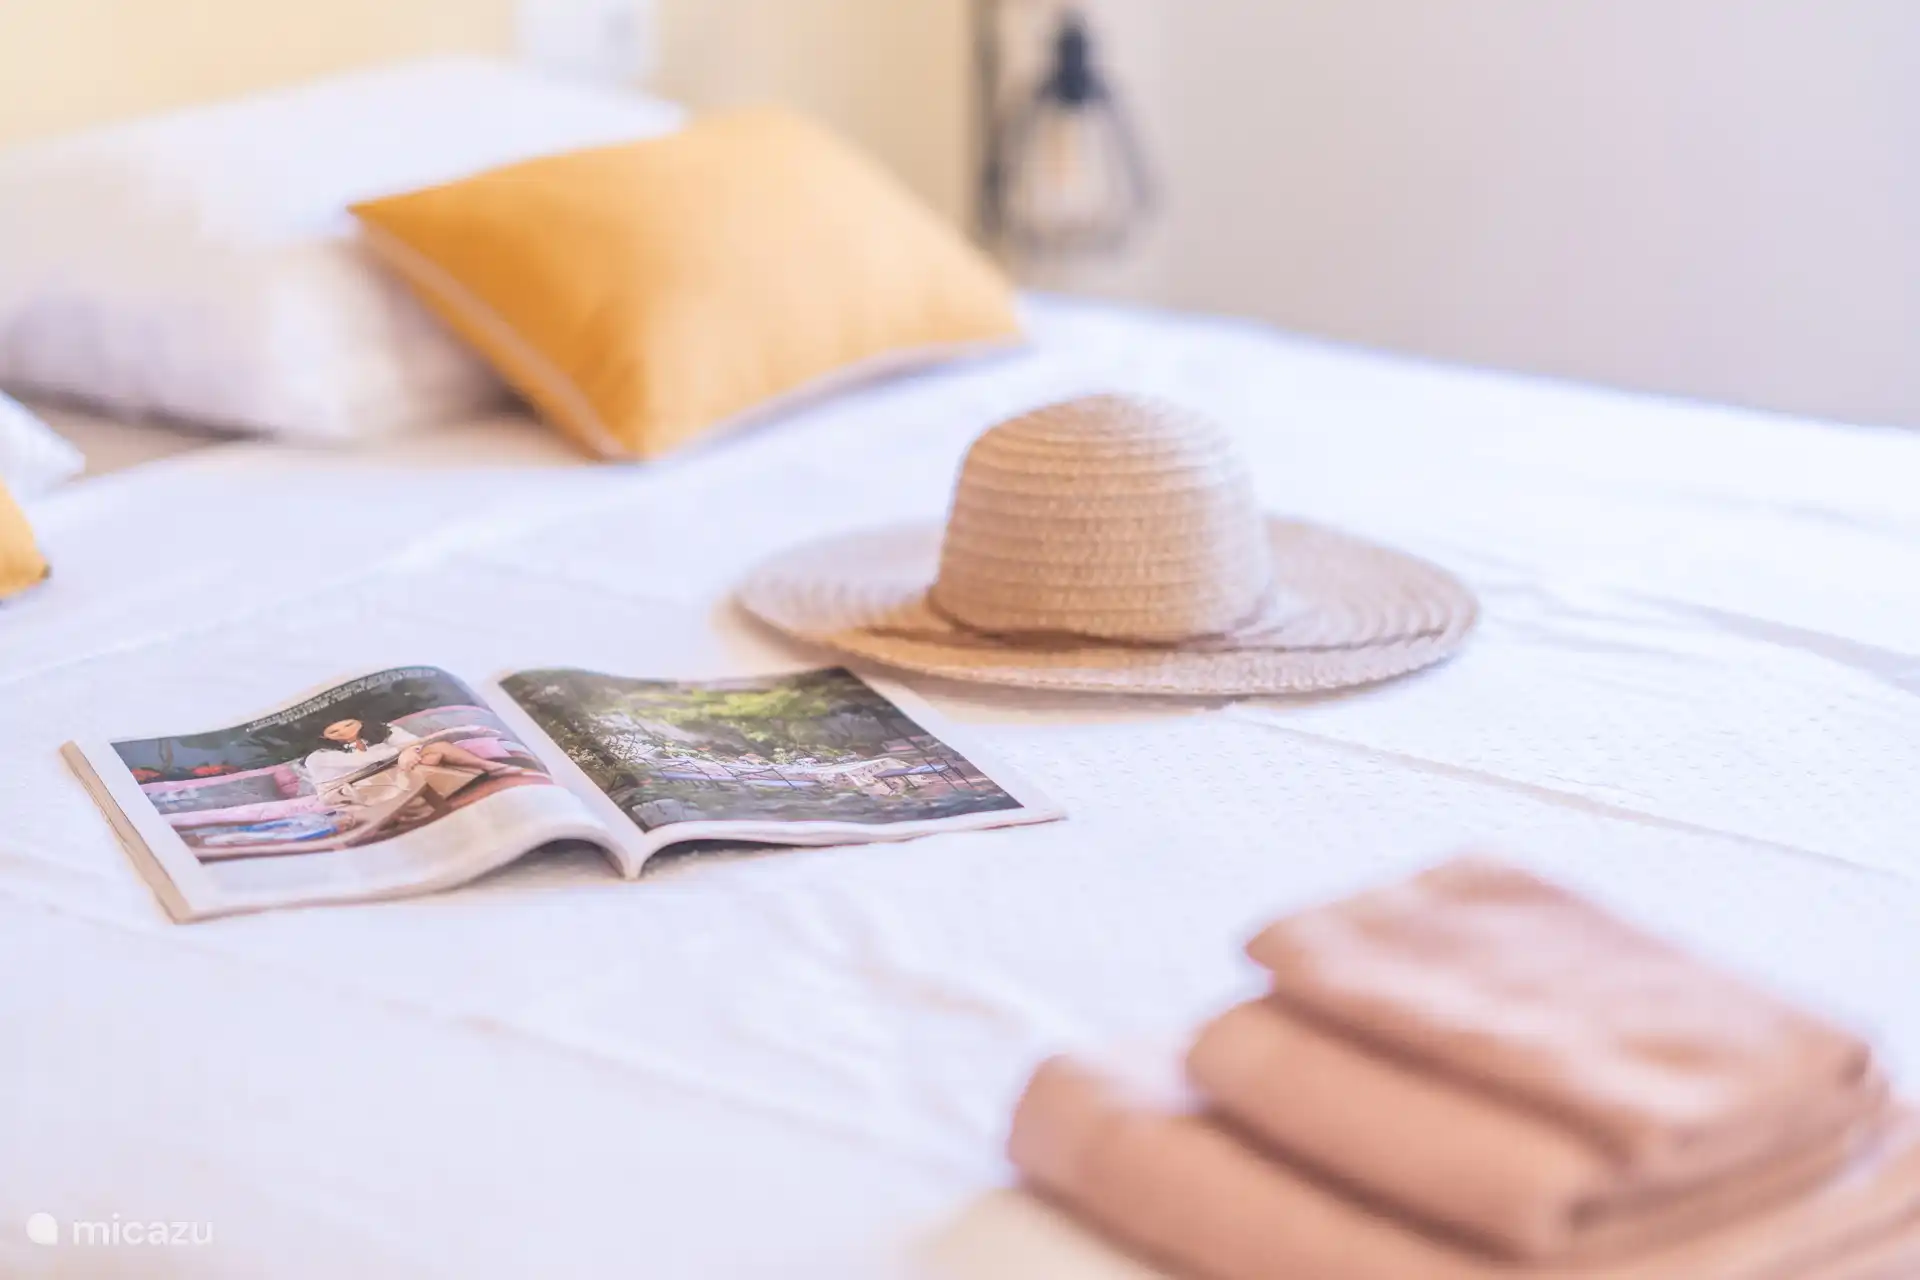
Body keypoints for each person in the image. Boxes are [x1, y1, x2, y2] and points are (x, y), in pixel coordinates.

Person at [303, 717, 528, 818]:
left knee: (436, 748)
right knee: (431, 755)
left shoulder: (382, 730)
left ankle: (491, 767)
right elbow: (362, 762)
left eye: (348, 724)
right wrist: (406, 751)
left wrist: (410, 751)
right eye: (334, 732)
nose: (345, 732)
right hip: (348, 789)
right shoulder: (317, 757)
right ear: (323, 736)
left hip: (386, 770)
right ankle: (428, 802)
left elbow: (411, 741)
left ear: (359, 721)